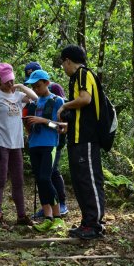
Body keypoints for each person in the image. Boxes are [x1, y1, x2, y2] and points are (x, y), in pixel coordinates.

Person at [57, 45, 106, 239]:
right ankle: (87, 223)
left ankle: (95, 224)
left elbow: (85, 99)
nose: (63, 67)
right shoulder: (75, 79)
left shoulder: (83, 74)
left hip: (87, 138)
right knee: (79, 181)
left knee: (89, 180)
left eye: (63, 63)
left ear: (68, 60)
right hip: (76, 138)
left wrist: (64, 105)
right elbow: (81, 111)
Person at [0, 63, 37, 228]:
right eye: (6, 81)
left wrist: (20, 86)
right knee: (0, 179)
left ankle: (21, 215)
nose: (9, 83)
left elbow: (35, 97)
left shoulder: (18, 95)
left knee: (18, 180)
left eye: (11, 80)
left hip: (16, 143)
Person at [24, 62, 70, 218]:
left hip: (49, 144)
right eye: (33, 87)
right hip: (34, 144)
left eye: (38, 86)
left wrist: (43, 121)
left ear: (47, 83)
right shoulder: (34, 103)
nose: (35, 89)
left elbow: (63, 126)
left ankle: (57, 214)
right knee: (39, 179)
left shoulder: (57, 101)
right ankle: (47, 215)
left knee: (45, 177)